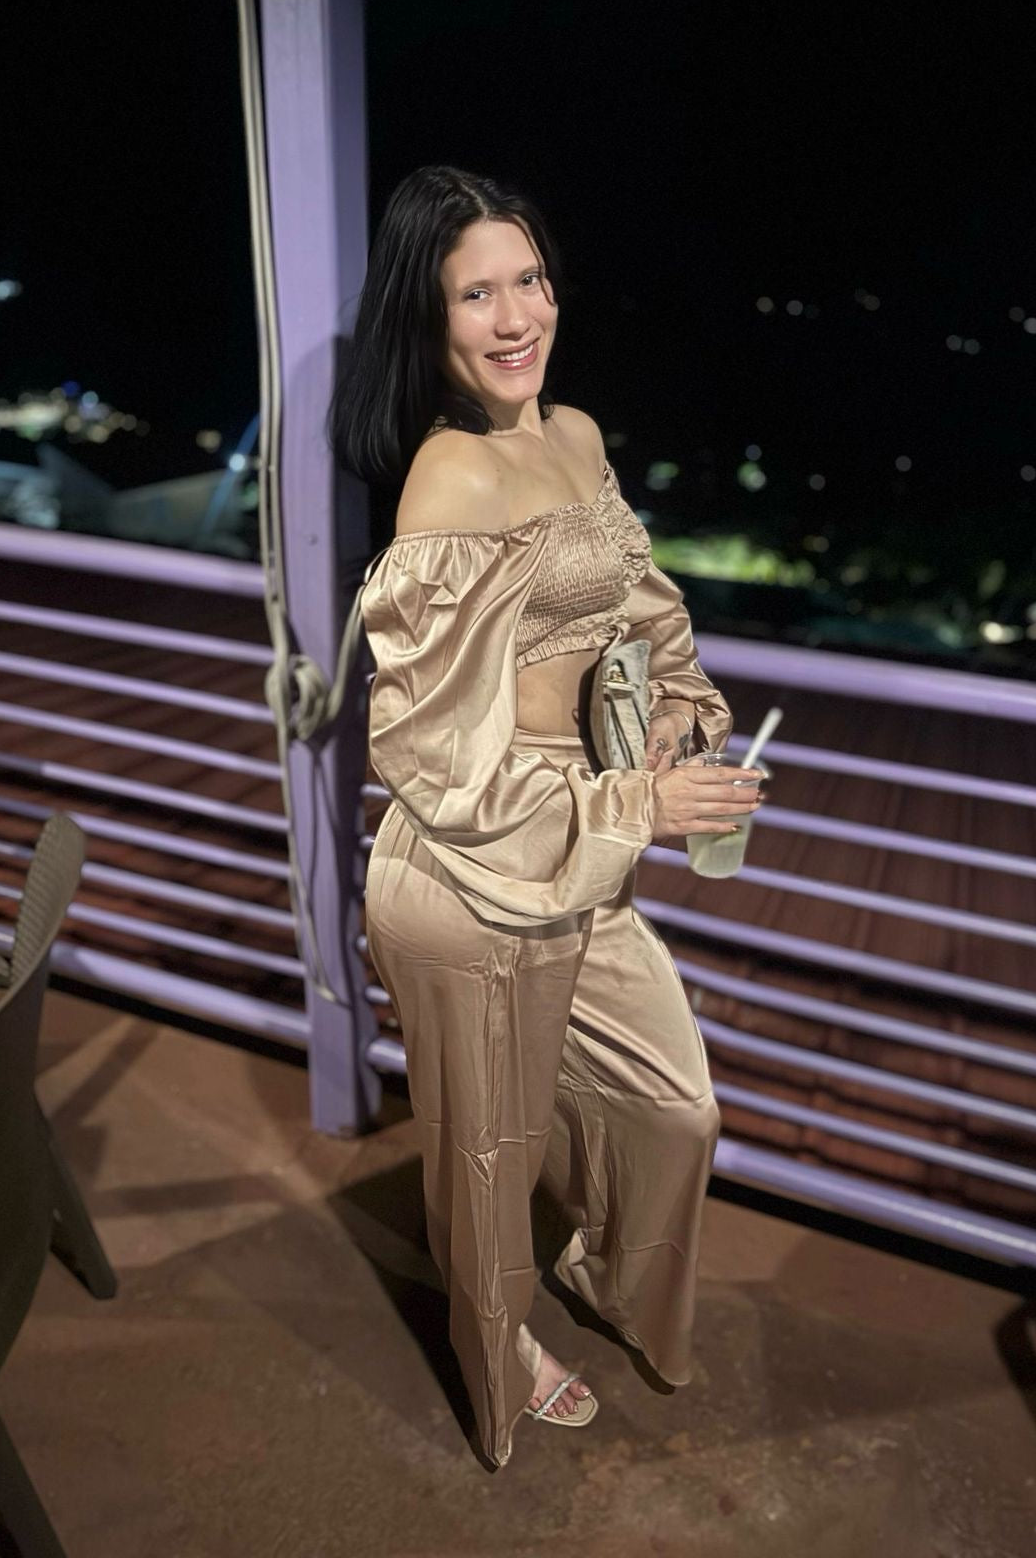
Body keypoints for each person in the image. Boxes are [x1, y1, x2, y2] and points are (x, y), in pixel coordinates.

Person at [328, 164, 763, 1468]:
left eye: (529, 280)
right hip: (472, 872)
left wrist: (676, 709)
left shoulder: (572, 434)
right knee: (487, 1162)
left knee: (675, 1109)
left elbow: (637, 610)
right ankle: (501, 1345)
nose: (517, 315)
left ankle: (592, 1269)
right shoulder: (449, 480)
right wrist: (640, 798)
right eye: (478, 293)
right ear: (428, 317)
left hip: (583, 852)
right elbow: (433, 760)